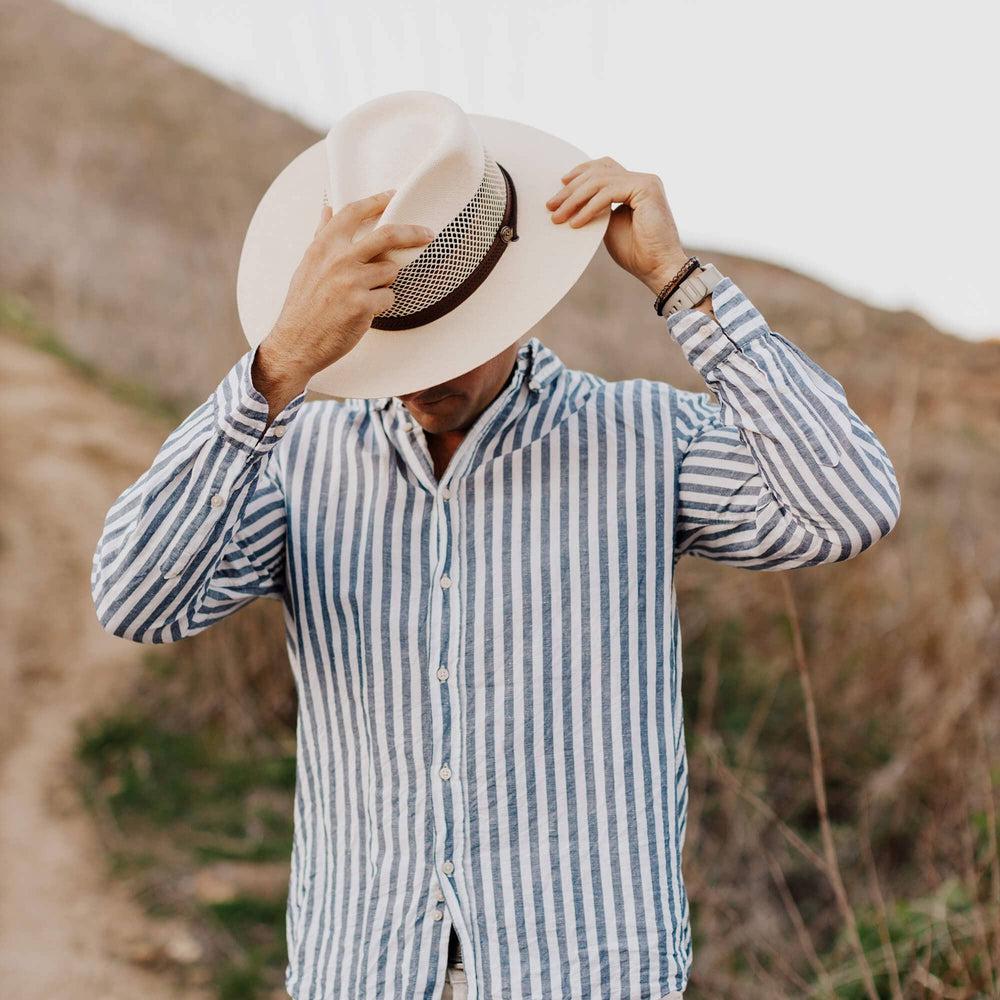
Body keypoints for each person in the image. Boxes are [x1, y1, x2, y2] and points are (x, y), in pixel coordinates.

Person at [92, 132, 900, 998]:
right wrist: (278, 365)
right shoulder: (298, 458)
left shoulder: (641, 440)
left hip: (588, 975)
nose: (427, 375)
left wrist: (681, 285)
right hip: (359, 972)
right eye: (396, 335)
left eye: (454, 335)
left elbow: (847, 504)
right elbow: (136, 598)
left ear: (519, 299)